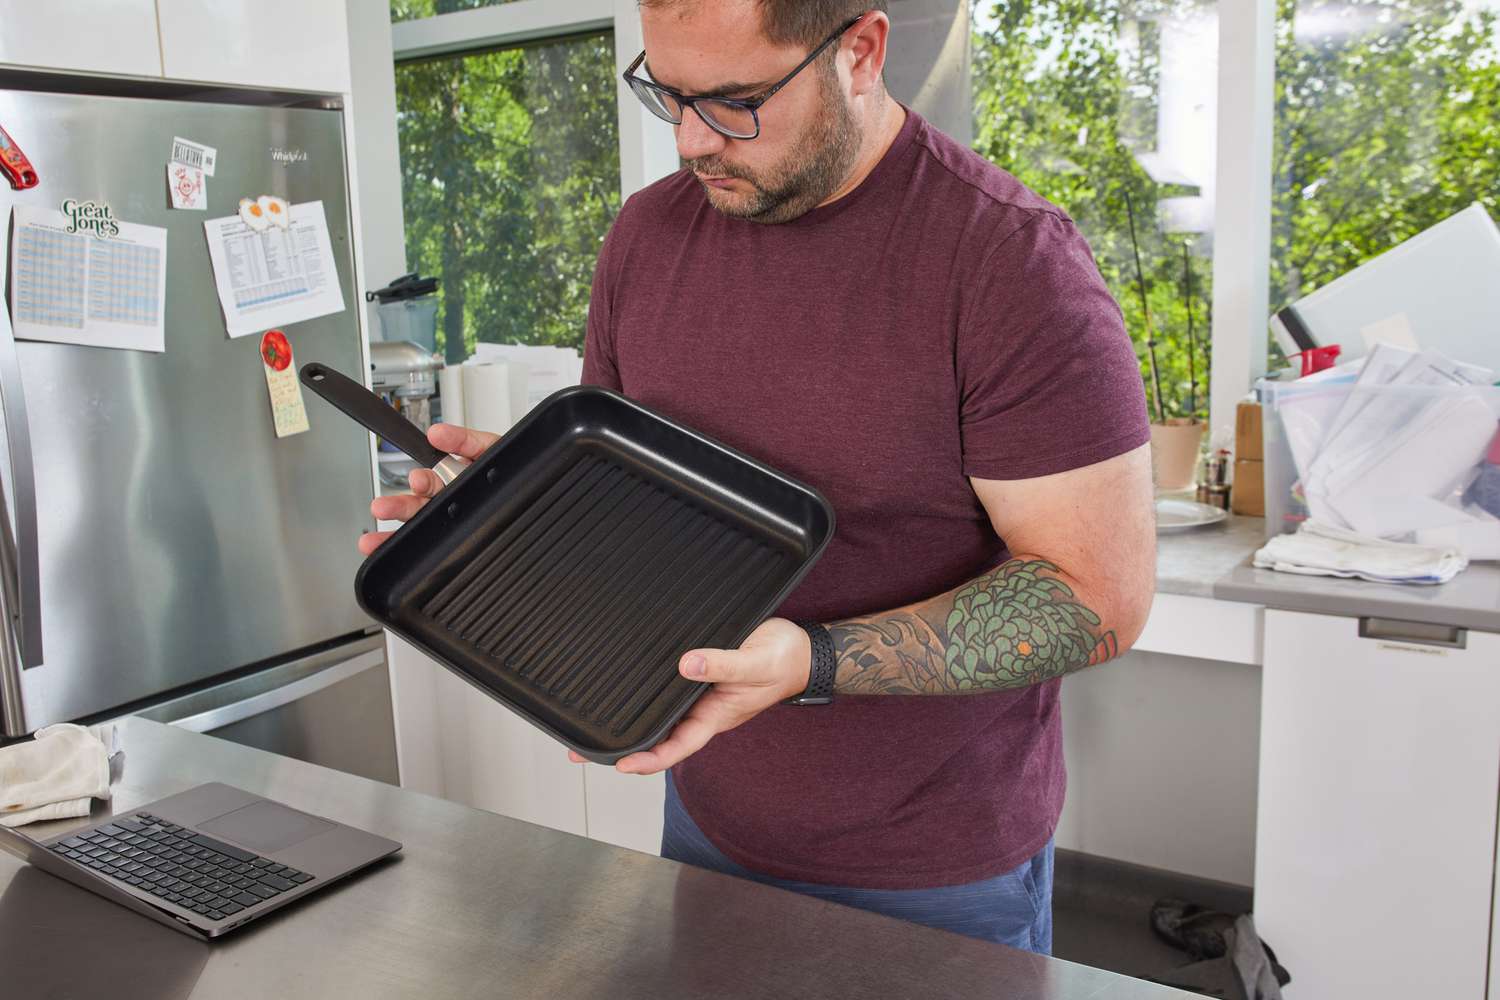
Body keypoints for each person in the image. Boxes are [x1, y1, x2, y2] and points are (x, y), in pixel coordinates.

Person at [365, 0, 1155, 954]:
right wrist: (523, 510)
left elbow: (1096, 597)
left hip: (933, 869)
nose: (694, 141)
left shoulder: (1009, 264)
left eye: (737, 99)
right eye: (671, 94)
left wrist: (812, 662)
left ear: (859, 52)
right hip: (705, 817)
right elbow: (631, 509)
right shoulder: (648, 241)